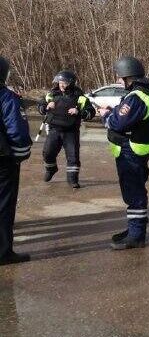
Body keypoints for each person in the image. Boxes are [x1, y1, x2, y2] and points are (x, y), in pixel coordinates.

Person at [97, 56, 149, 250]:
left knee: (134, 193)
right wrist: (115, 110)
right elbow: (129, 116)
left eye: (120, 77)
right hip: (138, 149)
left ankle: (136, 235)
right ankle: (133, 230)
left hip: (130, 151)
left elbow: (119, 122)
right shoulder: (147, 93)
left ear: (128, 76)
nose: (118, 81)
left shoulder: (137, 97)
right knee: (135, 191)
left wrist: (106, 115)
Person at [37, 70, 95, 188]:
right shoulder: (51, 94)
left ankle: (72, 180)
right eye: (60, 82)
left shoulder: (80, 97)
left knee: (73, 156)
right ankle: (51, 169)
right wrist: (46, 106)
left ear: (71, 83)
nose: (61, 85)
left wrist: (79, 112)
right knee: (48, 153)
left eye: (64, 83)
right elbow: (40, 106)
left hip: (71, 131)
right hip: (54, 129)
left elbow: (91, 112)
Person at [0, 56, 32, 266]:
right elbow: (17, 132)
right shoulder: (6, 97)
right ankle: (3, 252)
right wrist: (20, 155)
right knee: (3, 206)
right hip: (3, 162)